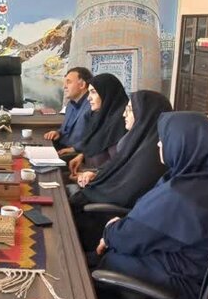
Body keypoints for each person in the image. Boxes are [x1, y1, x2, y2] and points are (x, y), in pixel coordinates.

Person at [94, 112, 208, 299]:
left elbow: (129, 238)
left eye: (165, 139)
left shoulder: (184, 195)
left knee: (92, 277)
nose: (159, 144)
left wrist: (111, 231)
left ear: (185, 144)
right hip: (183, 281)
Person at [70, 91, 172, 251]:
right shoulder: (136, 140)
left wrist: (93, 188)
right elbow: (116, 167)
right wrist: (96, 174)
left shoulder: (153, 154)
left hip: (111, 220)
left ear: (145, 115)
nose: (124, 114)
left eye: (130, 110)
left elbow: (126, 193)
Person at [68, 73, 129, 176]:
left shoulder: (120, 122)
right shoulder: (99, 116)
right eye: (89, 93)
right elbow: (95, 145)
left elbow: (118, 164)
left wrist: (91, 175)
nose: (89, 98)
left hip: (103, 181)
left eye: (93, 92)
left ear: (107, 94)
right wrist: (82, 156)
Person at [43, 67, 92, 158]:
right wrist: (58, 133)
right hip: (62, 146)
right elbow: (65, 130)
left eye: (68, 82)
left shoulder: (92, 105)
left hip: (77, 154)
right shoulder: (70, 104)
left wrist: (75, 149)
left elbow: (96, 137)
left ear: (82, 85)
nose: (64, 86)